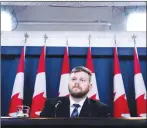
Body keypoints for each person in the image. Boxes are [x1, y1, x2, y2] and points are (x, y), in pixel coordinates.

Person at [40, 66, 110, 118]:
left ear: (90, 87)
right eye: (73, 79)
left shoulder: (101, 109)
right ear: (68, 84)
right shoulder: (53, 105)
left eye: (82, 80)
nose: (77, 83)